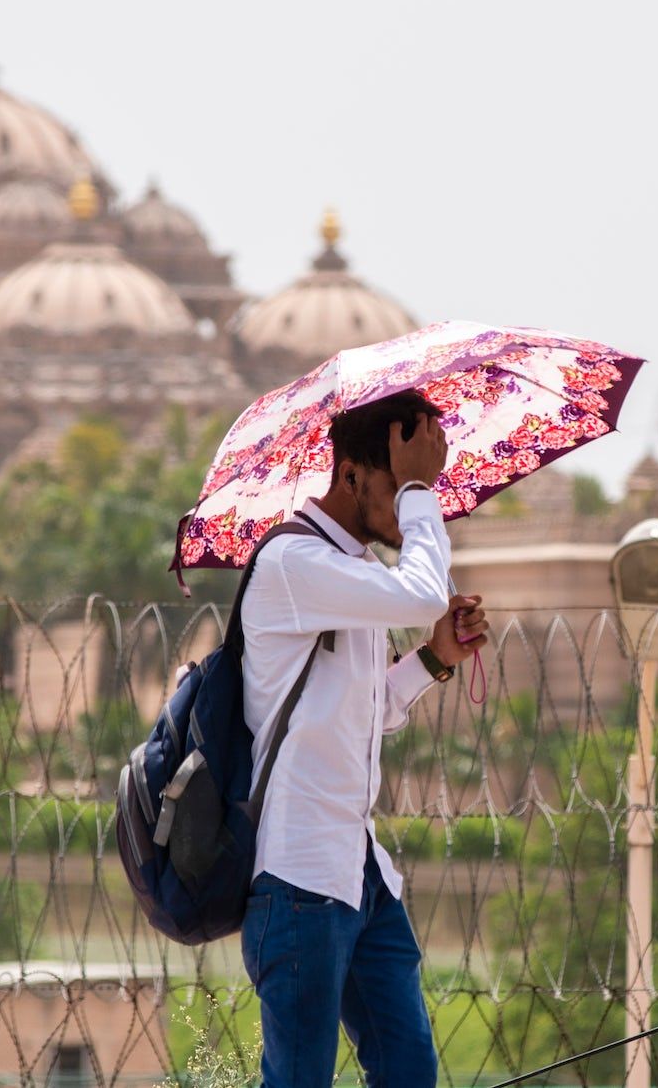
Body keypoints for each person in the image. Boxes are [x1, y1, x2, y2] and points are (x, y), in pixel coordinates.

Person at [238, 389, 487, 1088]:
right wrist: (418, 489)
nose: (414, 505)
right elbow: (420, 594)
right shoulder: (294, 565)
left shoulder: (348, 573)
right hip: (300, 877)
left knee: (408, 1070)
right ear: (351, 475)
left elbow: (359, 711)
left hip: (359, 871)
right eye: (401, 481)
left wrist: (435, 658)